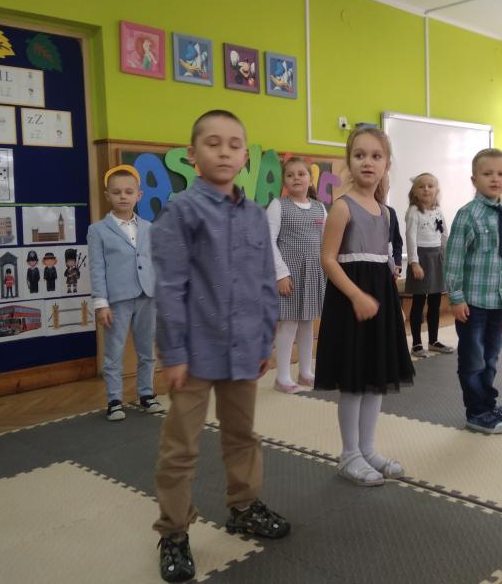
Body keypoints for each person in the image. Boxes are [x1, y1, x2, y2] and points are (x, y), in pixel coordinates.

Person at [151, 110, 289, 583]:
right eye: (213, 143)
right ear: (193, 154)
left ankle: (244, 506)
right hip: (194, 353)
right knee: (181, 447)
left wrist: (265, 338)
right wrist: (173, 353)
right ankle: (174, 531)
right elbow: (169, 287)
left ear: (245, 155)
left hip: (244, 348)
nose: (224, 152)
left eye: (234, 144)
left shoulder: (255, 215)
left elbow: (265, 281)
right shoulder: (180, 212)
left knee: (242, 435)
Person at [315, 126, 415, 486]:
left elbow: (384, 261)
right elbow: (328, 260)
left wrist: (393, 305)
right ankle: (349, 454)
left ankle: (368, 449)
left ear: (386, 163)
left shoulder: (386, 213)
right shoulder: (342, 208)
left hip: (379, 301)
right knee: (354, 381)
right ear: (349, 161)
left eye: (376, 156)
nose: (367, 162)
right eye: (359, 155)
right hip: (350, 302)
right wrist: (356, 295)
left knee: (375, 379)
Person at [445, 149, 502, 434]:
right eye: (487, 174)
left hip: (496, 301)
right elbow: (454, 259)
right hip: (473, 302)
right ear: (474, 179)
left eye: (501, 174)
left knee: (491, 357)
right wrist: (456, 297)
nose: (494, 179)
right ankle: (476, 412)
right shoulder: (468, 215)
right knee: (473, 359)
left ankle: (489, 405)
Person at [87, 164, 163, 421]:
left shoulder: (149, 227)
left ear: (138, 195)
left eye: (129, 192)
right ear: (107, 195)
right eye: (117, 192)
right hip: (117, 299)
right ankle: (114, 400)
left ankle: (147, 394)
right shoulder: (98, 230)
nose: (123, 196)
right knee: (114, 351)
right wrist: (101, 303)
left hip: (147, 296)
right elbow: (97, 267)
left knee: (146, 350)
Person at [266, 157, 326, 393]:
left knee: (307, 323)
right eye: (290, 175)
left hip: (313, 273)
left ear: (310, 179)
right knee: (288, 324)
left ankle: (305, 372)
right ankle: (282, 377)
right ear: (284, 181)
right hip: (289, 275)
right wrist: (280, 274)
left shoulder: (320, 208)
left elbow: (325, 241)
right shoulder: (278, 206)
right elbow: (268, 241)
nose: (296, 178)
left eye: (301, 174)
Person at [404, 172, 454, 358]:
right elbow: (410, 238)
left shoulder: (438, 211)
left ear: (436, 190)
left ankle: (433, 340)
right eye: (421, 186)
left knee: (435, 302)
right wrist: (414, 263)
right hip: (421, 259)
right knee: (419, 302)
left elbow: (444, 234)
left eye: (430, 186)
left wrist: (448, 257)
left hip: (437, 258)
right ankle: (417, 344)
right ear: (415, 192)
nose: (426, 189)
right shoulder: (413, 212)